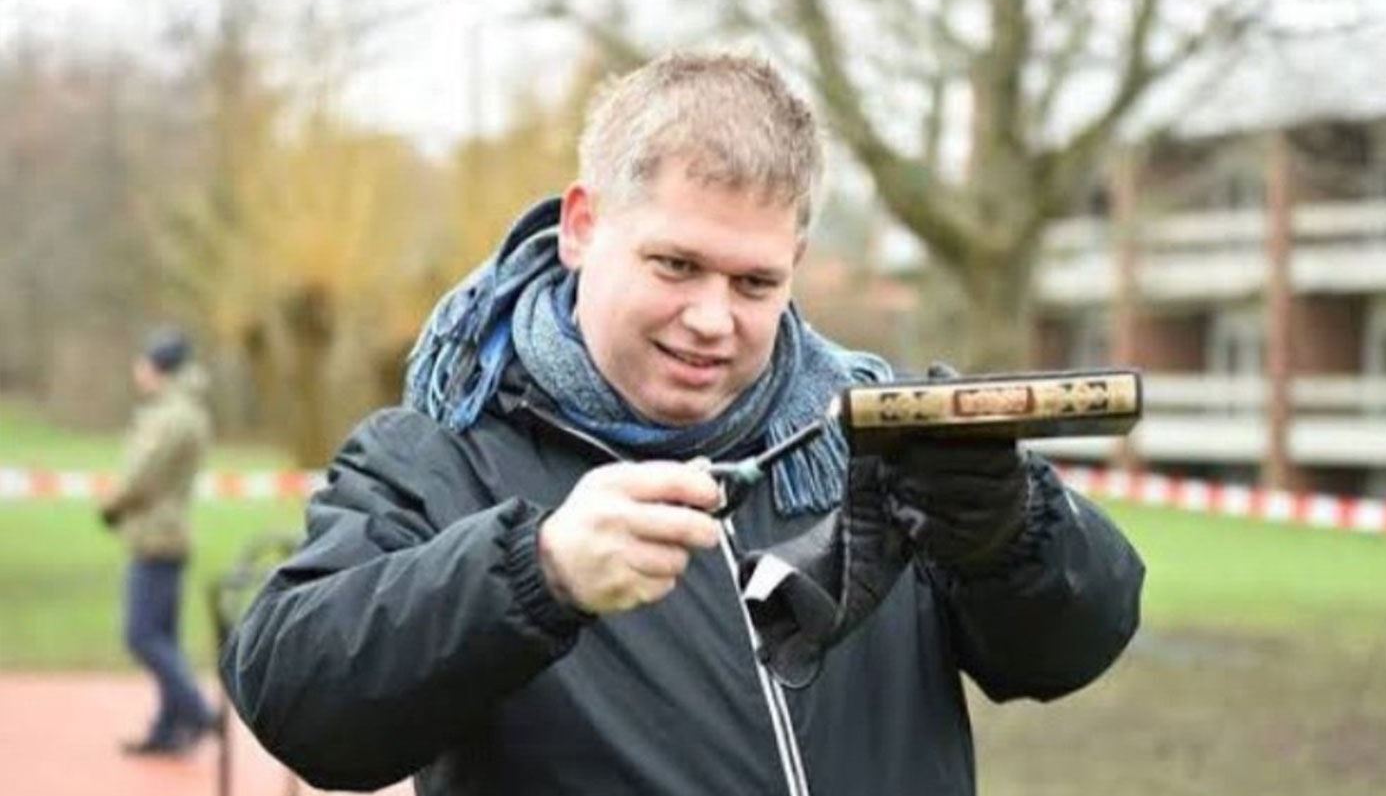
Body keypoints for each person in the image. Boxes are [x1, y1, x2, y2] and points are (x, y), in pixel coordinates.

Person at [221, 52, 1145, 795]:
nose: (713, 318)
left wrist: (1009, 531)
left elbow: (1073, 647)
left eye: (755, 283)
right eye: (675, 264)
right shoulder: (441, 454)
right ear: (583, 225)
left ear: (797, 261)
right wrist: (534, 573)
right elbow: (296, 696)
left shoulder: (880, 440)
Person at [100, 327, 220, 756]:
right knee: (163, 636)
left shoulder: (172, 415)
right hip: (167, 531)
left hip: (157, 534)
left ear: (158, 367)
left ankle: (198, 713)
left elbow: (142, 474)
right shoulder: (182, 410)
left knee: (143, 635)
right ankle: (169, 729)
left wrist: (112, 503)